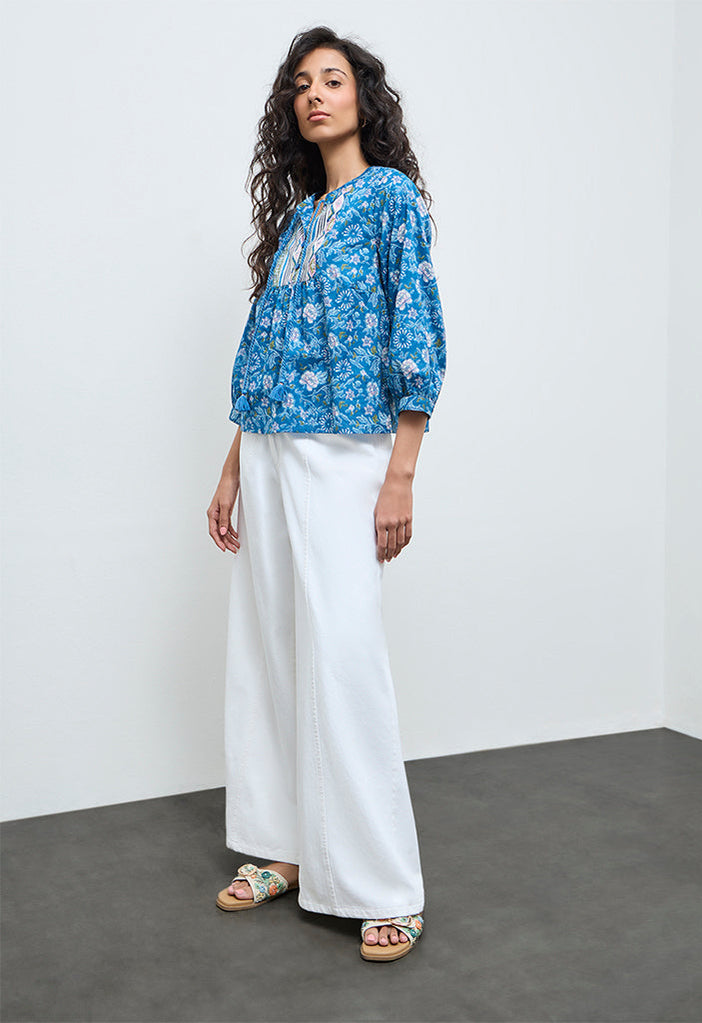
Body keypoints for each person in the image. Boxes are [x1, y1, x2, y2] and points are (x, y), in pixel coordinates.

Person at [206, 25, 447, 963]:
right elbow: (264, 347)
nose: (314, 94)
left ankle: (384, 882)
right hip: (269, 448)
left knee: (342, 654)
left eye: (333, 80)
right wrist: (232, 466)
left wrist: (400, 473)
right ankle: (284, 848)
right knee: (270, 650)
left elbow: (416, 331)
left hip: (347, 452)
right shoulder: (300, 217)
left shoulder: (389, 199)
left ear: (362, 98)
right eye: (301, 83)